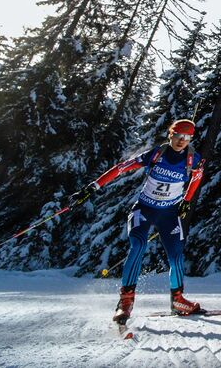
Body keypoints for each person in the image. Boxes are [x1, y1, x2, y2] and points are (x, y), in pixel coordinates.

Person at [72, 119, 204, 324]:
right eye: (178, 136)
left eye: (186, 138)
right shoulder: (156, 154)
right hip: (144, 209)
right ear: (170, 134)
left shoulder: (193, 159)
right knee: (138, 245)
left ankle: (177, 300)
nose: (181, 141)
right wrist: (93, 187)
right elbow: (120, 168)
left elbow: (196, 178)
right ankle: (125, 303)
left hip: (169, 214)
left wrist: (186, 201)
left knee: (176, 255)